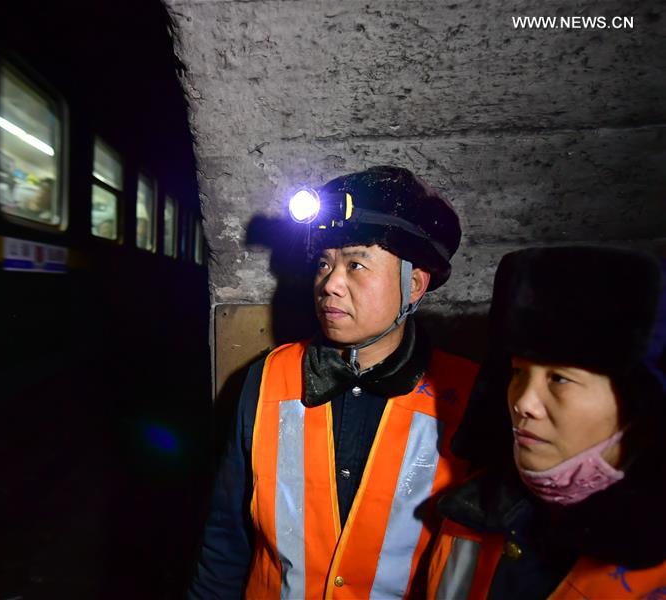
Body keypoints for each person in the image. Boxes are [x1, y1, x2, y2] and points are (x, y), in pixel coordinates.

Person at [188, 166, 479, 598]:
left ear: (414, 285)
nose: (330, 283)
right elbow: (226, 538)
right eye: (325, 263)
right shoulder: (268, 378)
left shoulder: (467, 395)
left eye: (356, 264)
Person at [426, 246, 666, 599]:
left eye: (560, 379)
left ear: (637, 403)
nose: (523, 402)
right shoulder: (470, 514)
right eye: (518, 373)